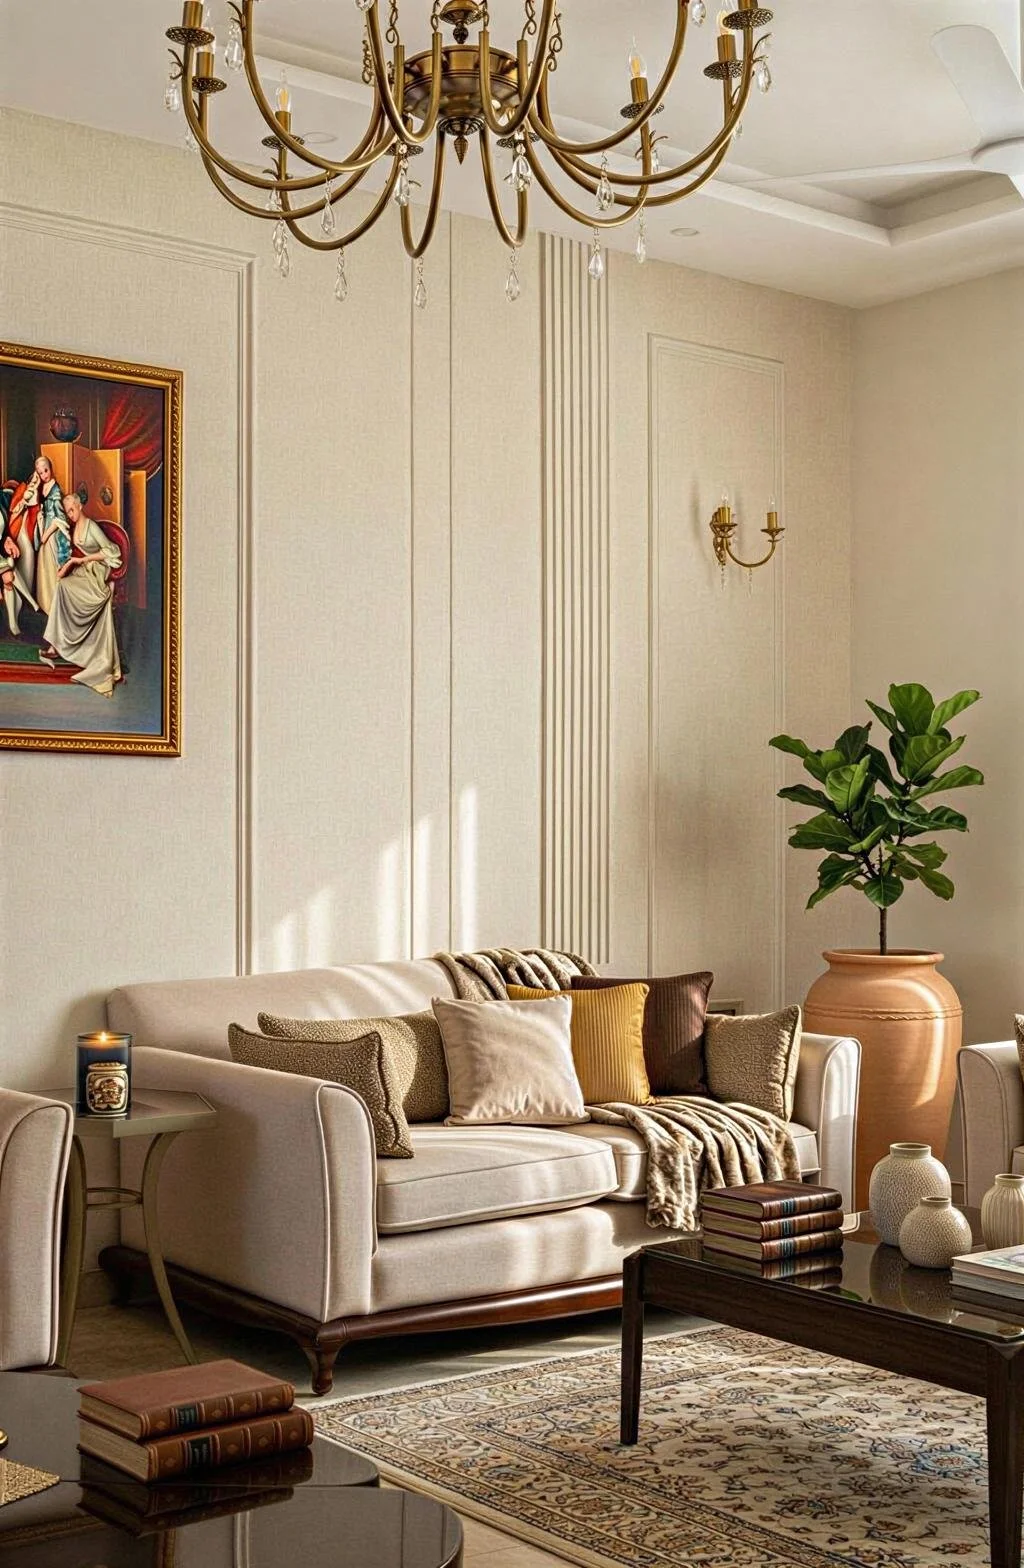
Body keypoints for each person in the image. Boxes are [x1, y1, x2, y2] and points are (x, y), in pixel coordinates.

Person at [41, 492, 122, 697]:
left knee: (66, 589)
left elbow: (111, 551)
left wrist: (82, 561)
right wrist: (69, 564)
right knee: (62, 586)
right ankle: (56, 644)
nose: (70, 514)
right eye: (67, 511)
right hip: (85, 569)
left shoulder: (91, 526)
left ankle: (69, 646)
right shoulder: (74, 526)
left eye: (72, 510)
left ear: (80, 507)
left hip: (97, 571)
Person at [30, 457, 71, 615]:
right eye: (40, 473)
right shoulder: (43, 486)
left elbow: (59, 517)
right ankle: (45, 603)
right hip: (44, 525)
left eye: (45, 471)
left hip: (53, 531)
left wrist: (46, 535)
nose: (44, 475)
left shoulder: (55, 489)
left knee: (51, 566)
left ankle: (55, 606)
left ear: (51, 468)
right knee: (43, 567)